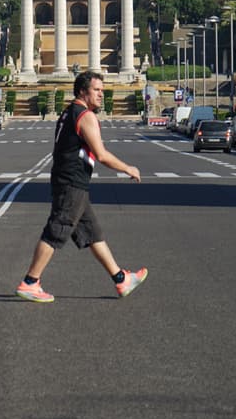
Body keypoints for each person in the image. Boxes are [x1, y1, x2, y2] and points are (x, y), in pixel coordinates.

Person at [16, 70, 146, 303]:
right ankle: (30, 282)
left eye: (102, 91)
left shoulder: (68, 112)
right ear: (82, 91)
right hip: (72, 183)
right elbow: (102, 154)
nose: (101, 95)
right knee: (57, 229)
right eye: (96, 90)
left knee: (92, 233)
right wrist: (128, 168)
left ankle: (120, 279)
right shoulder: (85, 116)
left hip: (68, 180)